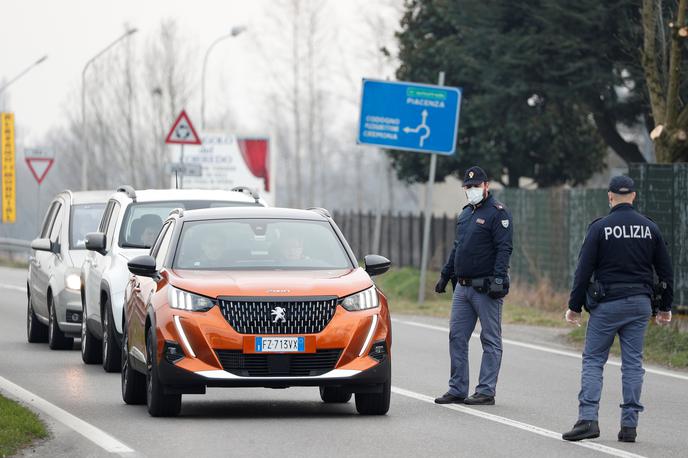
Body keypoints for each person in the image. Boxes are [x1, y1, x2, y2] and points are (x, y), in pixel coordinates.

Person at [562, 175, 673, 443]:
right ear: (633, 196)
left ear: (610, 196)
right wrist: (665, 307)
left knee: (593, 360)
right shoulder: (650, 228)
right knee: (633, 364)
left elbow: (583, 270)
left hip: (607, 305)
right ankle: (629, 427)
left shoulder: (600, 227)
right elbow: (666, 271)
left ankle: (587, 420)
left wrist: (574, 307)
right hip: (639, 304)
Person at [434, 166, 513, 406]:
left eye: (476, 186)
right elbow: (459, 247)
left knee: (490, 339)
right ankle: (457, 388)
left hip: (486, 288)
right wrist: (446, 275)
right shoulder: (466, 213)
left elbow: (504, 248)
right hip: (463, 287)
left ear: (486, 186)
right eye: (468, 187)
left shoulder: (498, 213)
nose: (472, 190)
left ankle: (486, 391)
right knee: (457, 337)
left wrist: (499, 279)